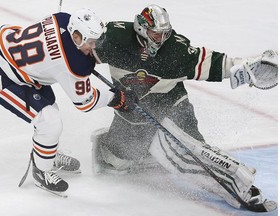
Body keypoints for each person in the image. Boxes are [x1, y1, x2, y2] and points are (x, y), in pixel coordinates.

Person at [91, 4, 277, 211]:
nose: (161, 39)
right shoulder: (115, 38)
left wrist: (248, 67)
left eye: (164, 34)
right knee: (116, 163)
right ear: (141, 29)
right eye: (155, 34)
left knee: (191, 153)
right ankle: (119, 145)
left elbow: (215, 63)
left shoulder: (176, 50)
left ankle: (239, 186)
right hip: (133, 112)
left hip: (172, 105)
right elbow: (81, 49)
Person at [0, 8, 137, 195]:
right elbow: (85, 102)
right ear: (76, 36)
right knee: (49, 121)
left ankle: (47, 155)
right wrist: (115, 98)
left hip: (17, 58)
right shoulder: (72, 63)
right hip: (3, 76)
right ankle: (41, 171)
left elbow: (59, 50)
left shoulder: (64, 19)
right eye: (91, 42)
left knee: (49, 111)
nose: (94, 47)